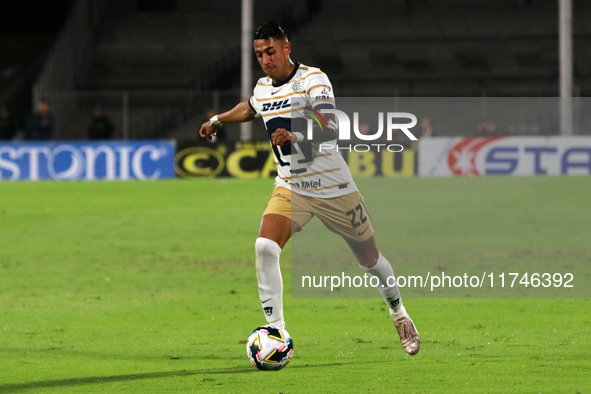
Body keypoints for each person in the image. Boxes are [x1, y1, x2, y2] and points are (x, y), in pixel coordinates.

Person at [198, 21, 420, 356]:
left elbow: (329, 127)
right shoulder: (263, 87)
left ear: (286, 48)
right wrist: (218, 120)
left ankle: (398, 313)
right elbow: (250, 107)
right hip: (292, 186)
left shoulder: (313, 79)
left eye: (270, 51)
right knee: (264, 246)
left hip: (333, 185)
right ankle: (277, 331)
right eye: (259, 53)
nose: (265, 59)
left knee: (370, 259)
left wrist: (296, 136)